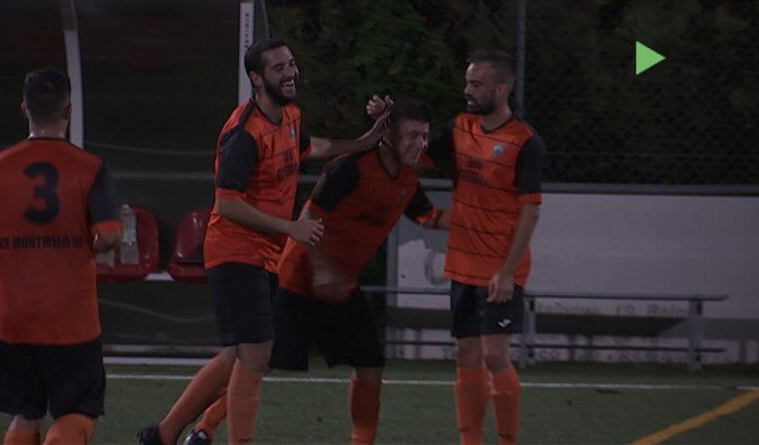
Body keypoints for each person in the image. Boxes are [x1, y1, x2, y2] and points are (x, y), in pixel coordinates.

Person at [138, 39, 388, 445]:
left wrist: (363, 141)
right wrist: (290, 228)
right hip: (235, 250)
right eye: (279, 68)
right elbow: (227, 204)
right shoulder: (243, 133)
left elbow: (311, 148)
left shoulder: (290, 116)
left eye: (291, 64)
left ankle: (163, 435)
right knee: (256, 354)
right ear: (256, 78)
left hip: (265, 254)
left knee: (238, 354)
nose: (291, 72)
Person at [185, 98, 450, 445]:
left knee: (370, 362)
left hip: (341, 285)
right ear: (388, 135)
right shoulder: (350, 168)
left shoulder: (407, 179)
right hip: (300, 277)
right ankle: (204, 428)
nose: (421, 144)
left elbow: (429, 217)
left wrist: (477, 219)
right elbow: (310, 216)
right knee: (259, 361)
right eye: (413, 135)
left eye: (424, 136)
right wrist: (323, 270)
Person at [368, 49, 545, 445]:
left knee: (495, 355)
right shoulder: (459, 128)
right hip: (462, 265)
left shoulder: (525, 142)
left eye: (476, 84)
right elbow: (414, 155)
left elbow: (530, 212)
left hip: (500, 269)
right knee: (466, 355)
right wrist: (391, 122)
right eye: (467, 82)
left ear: (500, 88)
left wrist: (507, 271)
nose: (467, 90)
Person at [0, 67, 123, 445]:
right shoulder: (91, 167)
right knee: (77, 411)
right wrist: (84, 243)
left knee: (25, 412)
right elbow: (112, 235)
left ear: (24, 109)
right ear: (69, 111)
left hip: (13, 317)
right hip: (71, 318)